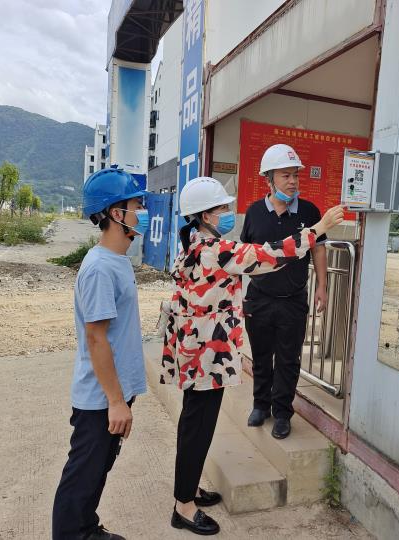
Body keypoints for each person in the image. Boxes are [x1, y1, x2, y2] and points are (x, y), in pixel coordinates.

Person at [161, 176, 344, 535]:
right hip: (206, 354)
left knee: (193, 422)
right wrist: (319, 228)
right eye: (222, 208)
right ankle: (183, 507)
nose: (228, 213)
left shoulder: (194, 243)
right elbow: (268, 254)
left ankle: (189, 488)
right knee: (198, 425)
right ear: (206, 216)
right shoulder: (216, 249)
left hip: (195, 348)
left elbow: (260, 260)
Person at [52, 165, 150, 540]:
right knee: (81, 477)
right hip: (100, 398)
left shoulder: (116, 261)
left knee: (98, 471)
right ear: (115, 213)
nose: (141, 213)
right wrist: (116, 401)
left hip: (113, 393)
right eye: (135, 206)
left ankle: (87, 529)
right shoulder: (98, 269)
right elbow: (96, 338)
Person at [240, 144, 328, 439]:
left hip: (293, 300)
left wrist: (323, 287)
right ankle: (260, 405)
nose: (293, 181)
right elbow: (245, 256)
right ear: (269, 178)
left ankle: (282, 413)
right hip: (259, 299)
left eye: (295, 175)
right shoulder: (254, 213)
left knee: (288, 360)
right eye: (286, 175)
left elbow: (318, 249)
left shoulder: (309, 211)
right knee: (261, 356)